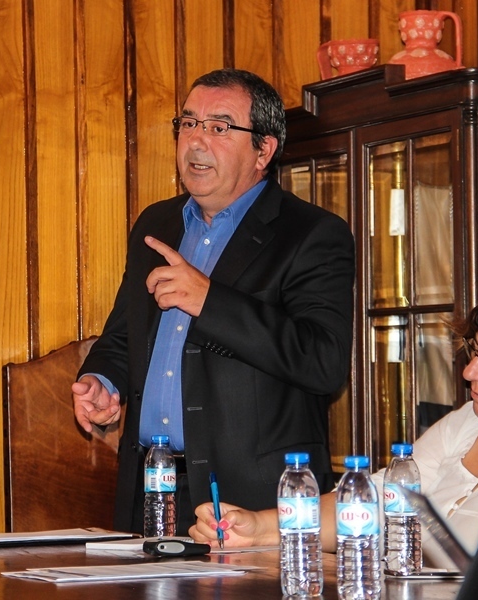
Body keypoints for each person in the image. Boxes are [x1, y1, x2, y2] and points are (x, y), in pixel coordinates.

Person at [72, 68, 355, 534]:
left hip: (251, 501)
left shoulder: (312, 234)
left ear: (264, 150)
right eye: (188, 123)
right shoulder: (157, 224)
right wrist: (103, 380)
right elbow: (124, 335)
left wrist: (209, 300)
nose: (196, 141)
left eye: (219, 127)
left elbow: (322, 361)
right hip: (151, 488)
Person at [189, 274, 478, 564]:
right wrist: (259, 527)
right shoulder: (469, 421)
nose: (469, 372)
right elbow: (376, 500)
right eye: (474, 351)